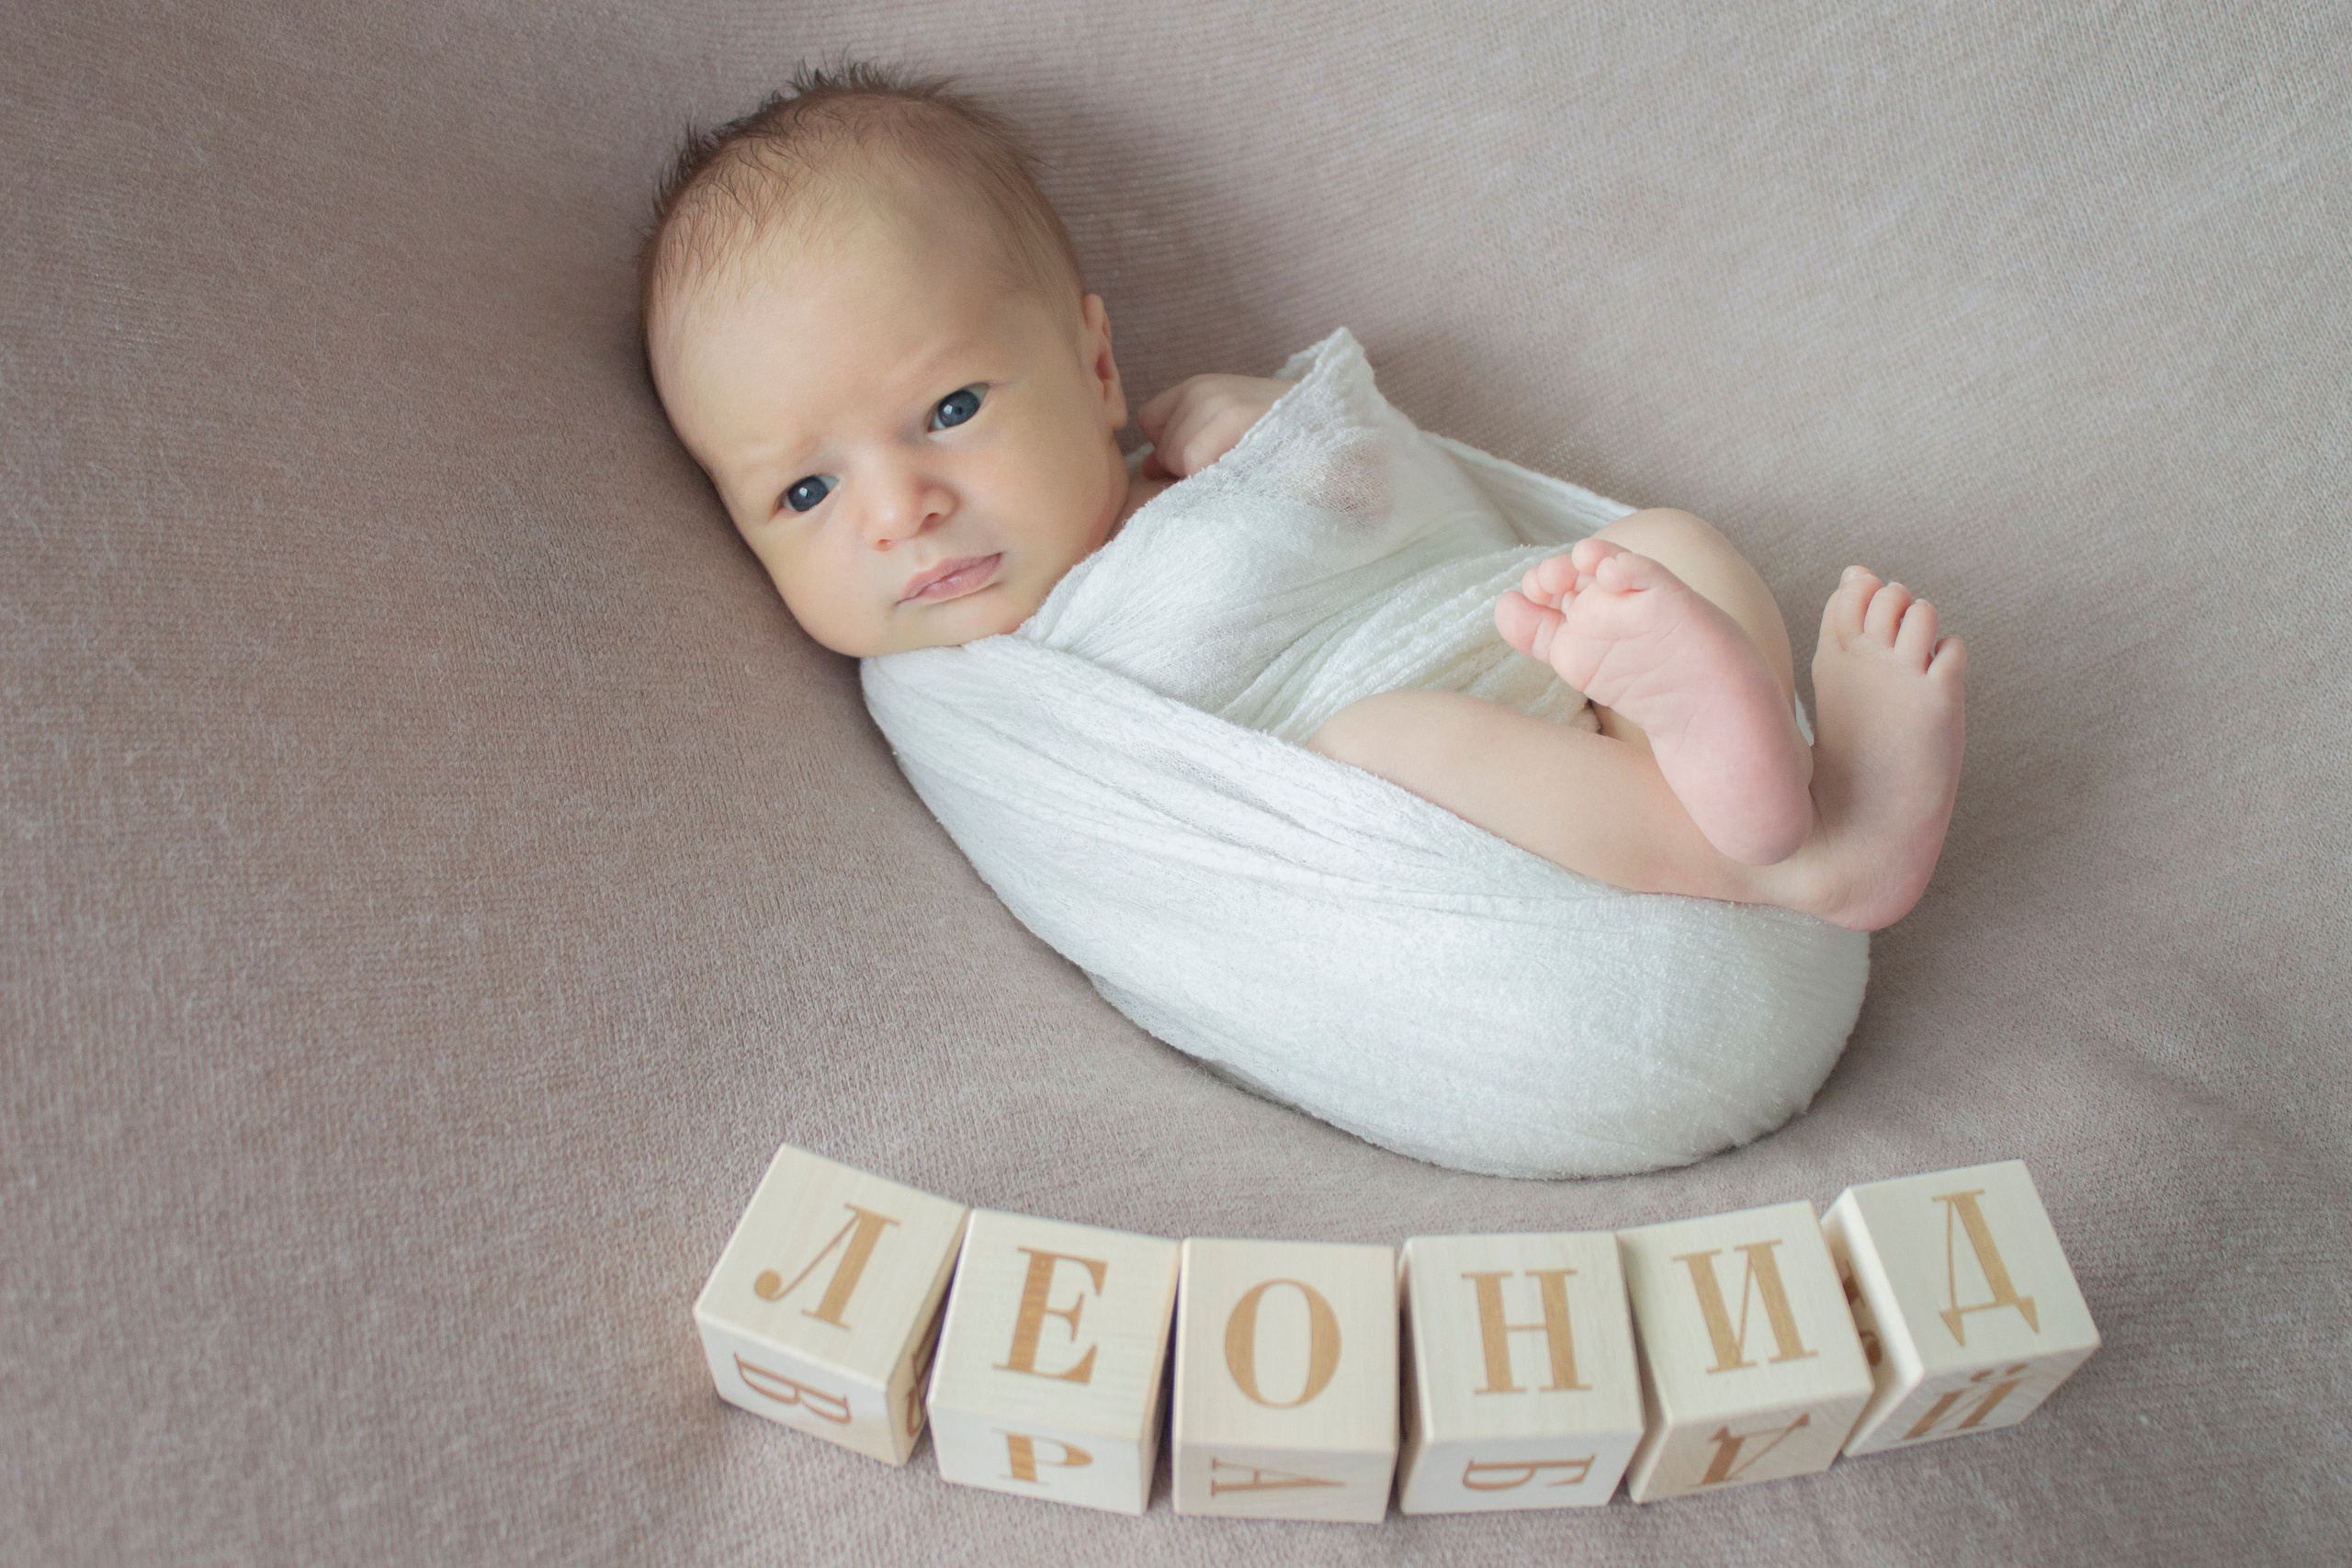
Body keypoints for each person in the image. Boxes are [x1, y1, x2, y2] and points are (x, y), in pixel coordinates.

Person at [638, 64, 1963, 934]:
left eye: (950, 411)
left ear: (1096, 364)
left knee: (1658, 547)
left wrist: (1292, 438)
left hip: (1529, 655)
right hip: (1441, 795)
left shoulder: (1206, 448)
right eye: (806, 489)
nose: (898, 511)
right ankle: (1800, 849)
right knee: (1388, 743)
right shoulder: (985, 694)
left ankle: (1760, 786)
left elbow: (1426, 530)